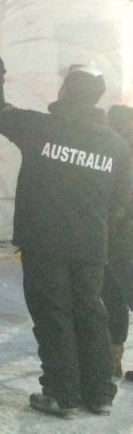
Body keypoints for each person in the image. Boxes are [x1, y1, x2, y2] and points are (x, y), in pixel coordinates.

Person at [0, 57, 132, 417]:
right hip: (92, 243)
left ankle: (61, 393)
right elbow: (122, 196)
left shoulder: (40, 128)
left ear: (66, 91)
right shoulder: (114, 144)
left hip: (44, 240)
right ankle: (99, 393)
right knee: (91, 312)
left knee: (54, 314)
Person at [103, 104, 133, 378]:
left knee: (118, 295)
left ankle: (112, 359)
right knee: (113, 295)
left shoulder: (123, 149)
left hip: (123, 236)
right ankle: (112, 359)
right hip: (116, 236)